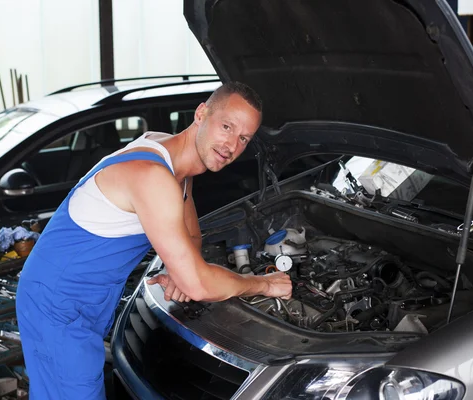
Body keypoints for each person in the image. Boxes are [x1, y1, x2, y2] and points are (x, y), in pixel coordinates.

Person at [15, 81, 293, 399]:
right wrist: (264, 284)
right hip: (56, 304)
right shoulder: (153, 176)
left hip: (85, 297)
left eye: (243, 138)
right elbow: (199, 286)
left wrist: (180, 270)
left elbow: (191, 235)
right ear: (202, 113)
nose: (232, 145)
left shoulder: (173, 158)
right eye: (226, 126)